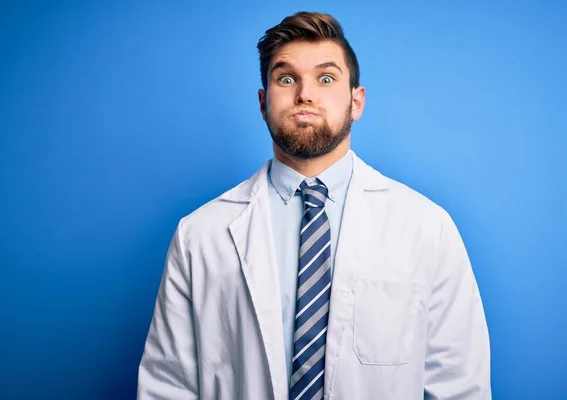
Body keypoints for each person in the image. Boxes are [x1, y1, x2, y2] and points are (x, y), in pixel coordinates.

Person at [137, 11, 491, 400]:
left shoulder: (427, 227)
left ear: (356, 102)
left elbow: (460, 388)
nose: (305, 94)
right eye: (286, 78)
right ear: (262, 102)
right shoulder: (200, 234)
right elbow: (168, 387)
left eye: (326, 78)